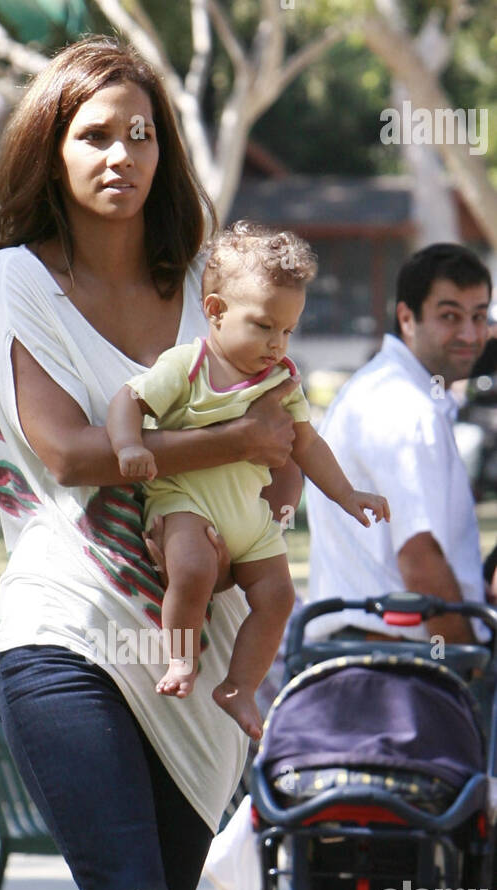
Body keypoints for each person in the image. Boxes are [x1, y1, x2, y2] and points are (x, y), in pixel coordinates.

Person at [0, 36, 303, 890]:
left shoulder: (214, 290)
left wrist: (275, 468)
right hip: (65, 628)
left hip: (201, 666)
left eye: (141, 131)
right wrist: (236, 446)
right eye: (94, 134)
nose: (121, 154)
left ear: (167, 149)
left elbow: (282, 455)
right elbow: (63, 451)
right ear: (51, 152)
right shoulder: (16, 278)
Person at [106, 221, 389, 739]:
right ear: (215, 311)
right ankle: (182, 659)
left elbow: (307, 444)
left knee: (279, 596)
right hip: (185, 502)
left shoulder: (281, 381)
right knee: (190, 569)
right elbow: (129, 399)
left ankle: (239, 685)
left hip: (250, 521)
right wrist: (129, 445)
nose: (277, 342)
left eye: (287, 330)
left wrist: (348, 494)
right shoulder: (186, 366)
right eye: (263, 326)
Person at [306, 243, 493, 649]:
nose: (470, 334)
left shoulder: (395, 390)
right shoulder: (403, 406)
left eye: (479, 316)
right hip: (394, 664)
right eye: (450, 316)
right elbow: (420, 559)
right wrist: (470, 662)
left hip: (374, 653)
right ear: (407, 318)